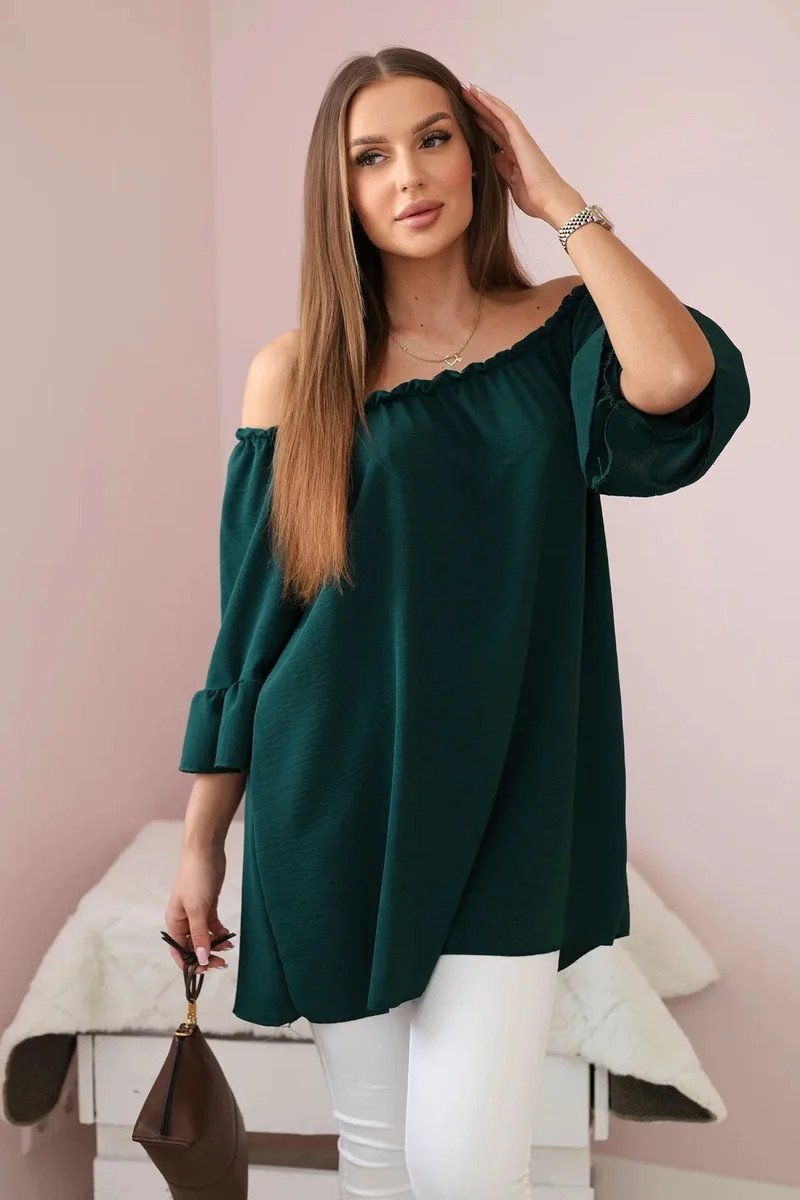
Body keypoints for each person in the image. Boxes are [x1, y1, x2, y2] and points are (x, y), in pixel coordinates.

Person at [164, 47, 750, 1200]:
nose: (408, 176)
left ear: (481, 156)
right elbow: (252, 630)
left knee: (465, 1170)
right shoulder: (296, 376)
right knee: (379, 1165)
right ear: (337, 191)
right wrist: (200, 843)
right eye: (369, 157)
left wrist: (560, 201)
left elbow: (677, 378)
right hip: (333, 802)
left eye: (433, 139)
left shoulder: (566, 329)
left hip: (513, 798)